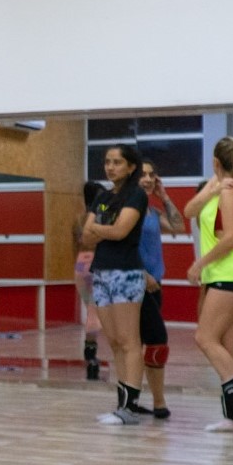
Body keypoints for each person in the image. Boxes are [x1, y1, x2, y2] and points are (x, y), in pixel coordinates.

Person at [183, 136, 233, 434]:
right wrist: (209, 189)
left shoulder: (231, 192)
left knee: (204, 338)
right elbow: (189, 211)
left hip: (232, 273)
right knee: (227, 346)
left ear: (215, 161)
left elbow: (231, 238)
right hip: (224, 274)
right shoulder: (218, 187)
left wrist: (199, 264)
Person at [83, 146, 150, 426]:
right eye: (108, 162)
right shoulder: (102, 197)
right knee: (113, 341)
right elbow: (85, 237)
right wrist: (103, 230)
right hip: (102, 272)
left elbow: (121, 231)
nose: (110, 167)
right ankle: (121, 405)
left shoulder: (136, 195)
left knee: (128, 340)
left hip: (126, 273)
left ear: (131, 167)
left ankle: (130, 407)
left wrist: (99, 229)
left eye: (117, 162)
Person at [126, 159, 186, 419]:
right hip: (135, 282)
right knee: (157, 340)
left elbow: (179, 226)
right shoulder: (127, 210)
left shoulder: (152, 211)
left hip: (155, 284)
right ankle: (158, 403)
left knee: (141, 343)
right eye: (143, 174)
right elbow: (120, 246)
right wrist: (142, 273)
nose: (148, 179)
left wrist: (165, 196)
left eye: (152, 174)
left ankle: (132, 401)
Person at [74, 181, 106, 380]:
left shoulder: (78, 219)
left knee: (90, 308)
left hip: (80, 264)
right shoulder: (100, 219)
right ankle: (91, 354)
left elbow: (77, 243)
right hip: (96, 263)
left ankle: (90, 351)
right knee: (96, 311)